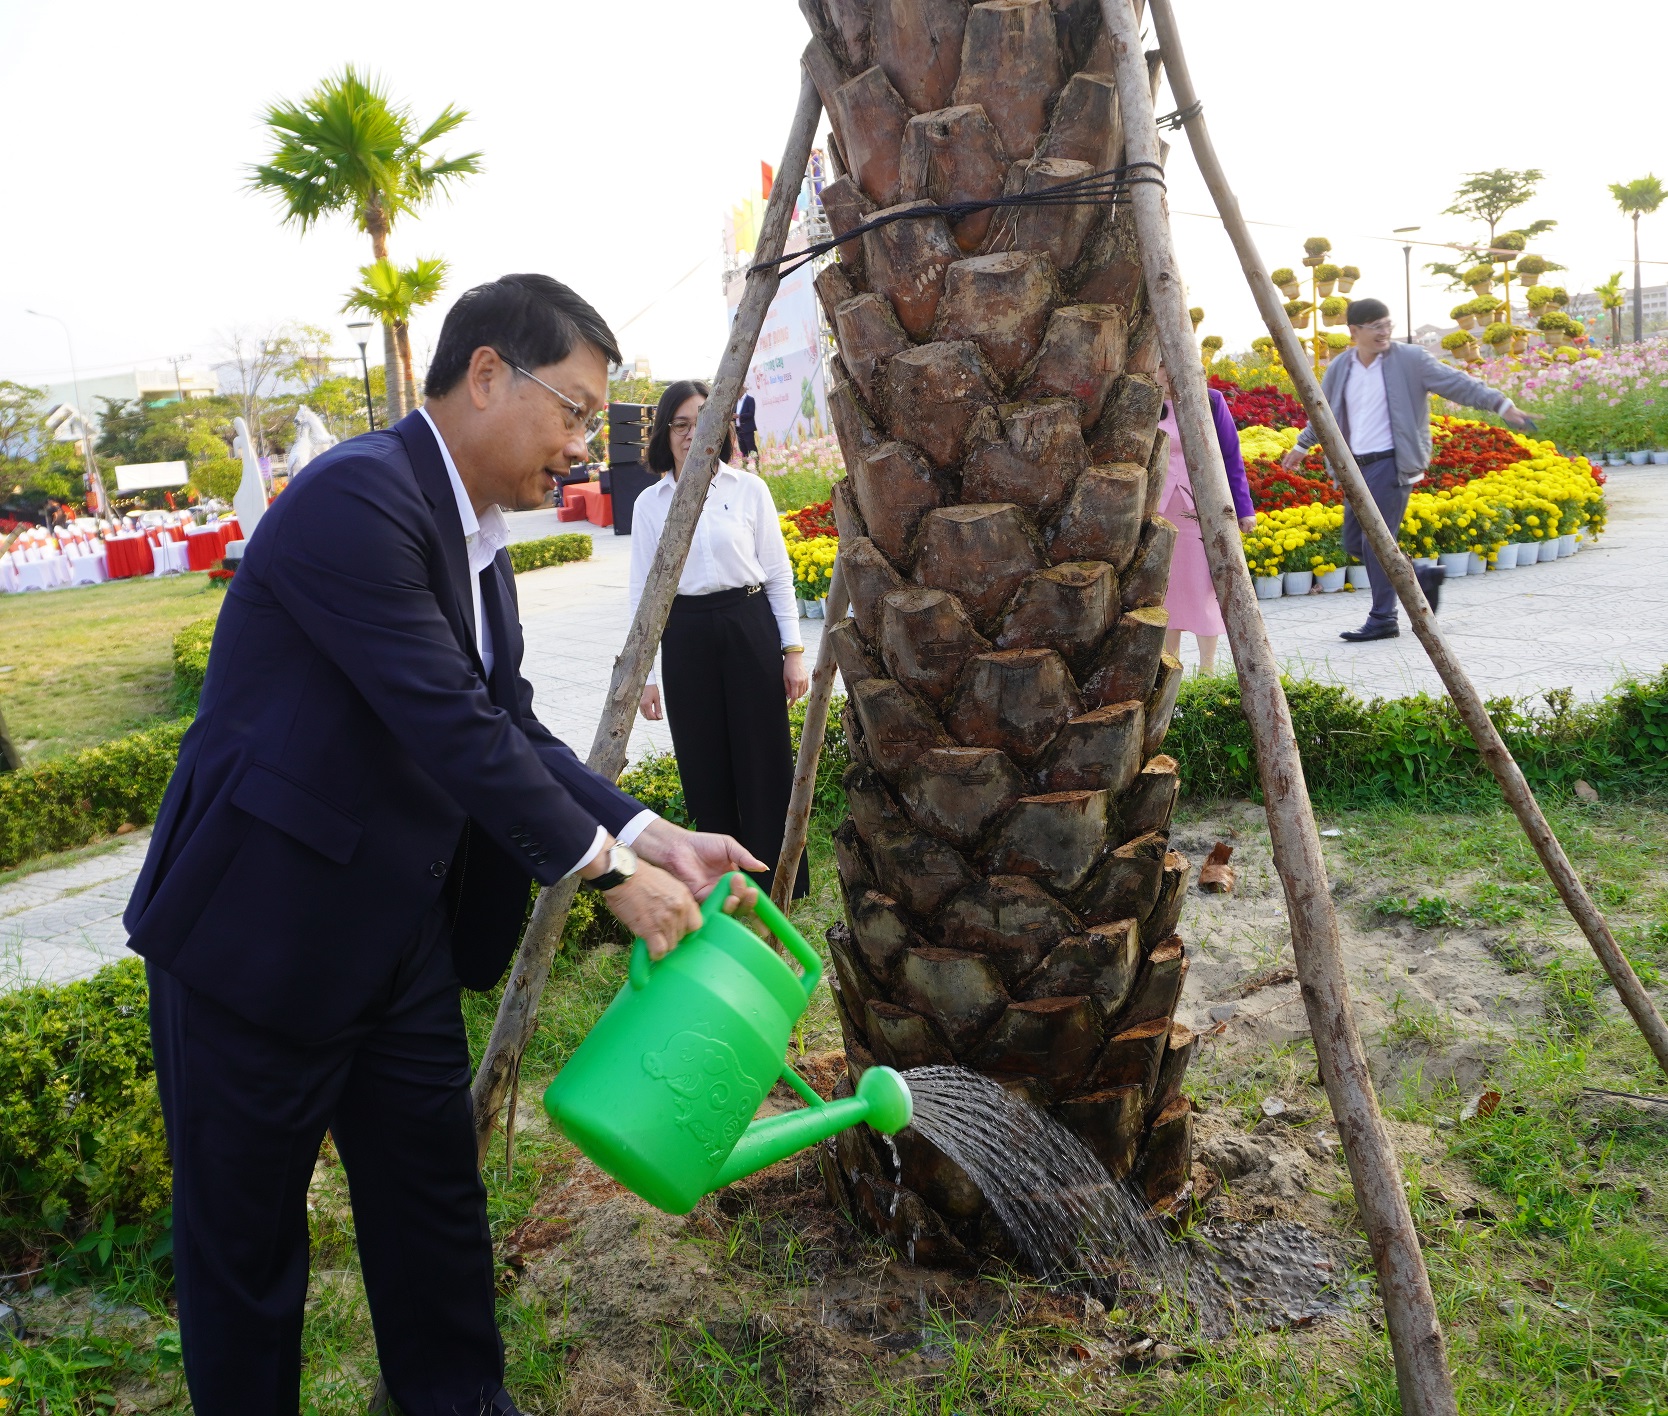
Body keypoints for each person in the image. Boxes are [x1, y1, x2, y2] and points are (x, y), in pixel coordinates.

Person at [123, 275, 766, 1416]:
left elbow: (508, 722)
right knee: (247, 1257)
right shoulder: (353, 501)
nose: (582, 445)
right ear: (485, 376)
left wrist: (651, 831)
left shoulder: (477, 540)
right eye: (573, 411)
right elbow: (445, 720)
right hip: (256, 945)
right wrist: (606, 875)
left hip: (396, 943)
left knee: (432, 1213)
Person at [632, 380, 811, 900]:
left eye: (704, 421)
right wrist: (641, 676)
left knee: (764, 754)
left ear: (725, 428)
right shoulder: (649, 503)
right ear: (664, 433)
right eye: (681, 423)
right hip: (685, 635)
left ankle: (778, 881)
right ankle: (720, 886)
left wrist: (793, 652)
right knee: (702, 759)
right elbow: (643, 595)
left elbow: (778, 575)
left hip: (748, 623)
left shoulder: (747, 489)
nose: (692, 433)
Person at [1282, 297, 1533, 642]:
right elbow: (1323, 411)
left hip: (1392, 462)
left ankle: (1383, 617)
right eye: (1376, 327)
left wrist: (1501, 404)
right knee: (1355, 541)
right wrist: (1302, 444)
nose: (1384, 332)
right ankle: (1421, 575)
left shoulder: (1410, 360)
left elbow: (1457, 383)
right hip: (1353, 467)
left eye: (1388, 325)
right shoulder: (1341, 367)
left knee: (1376, 542)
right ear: (1354, 331)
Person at [1154, 361, 1258, 674]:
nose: (1166, 373)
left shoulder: (1209, 400)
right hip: (1157, 511)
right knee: (1165, 588)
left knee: (1202, 587)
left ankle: (1207, 669)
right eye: (1160, 366)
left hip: (1200, 511)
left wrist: (1244, 509)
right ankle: (1170, 666)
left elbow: (1231, 456)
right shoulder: (1142, 401)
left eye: (1169, 364)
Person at [735, 390, 758, 462]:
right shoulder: (736, 402)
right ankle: (745, 467)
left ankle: (756, 465)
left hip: (747, 429)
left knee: (752, 449)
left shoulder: (750, 399)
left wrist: (739, 416)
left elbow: (751, 413)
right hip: (739, 430)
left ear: (741, 389)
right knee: (743, 450)